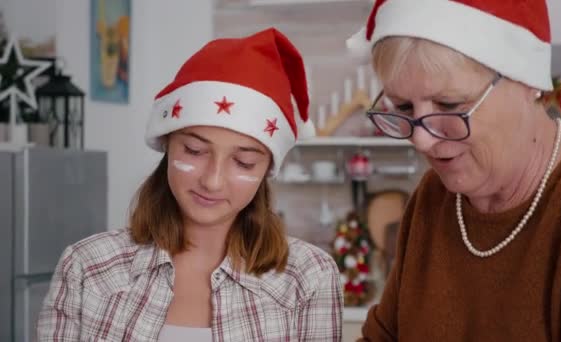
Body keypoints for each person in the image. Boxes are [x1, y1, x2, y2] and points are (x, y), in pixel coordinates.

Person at [37, 28, 343, 341]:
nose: (212, 181)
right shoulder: (87, 267)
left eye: (244, 162)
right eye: (194, 151)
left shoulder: (308, 276)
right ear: (167, 145)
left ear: (266, 170)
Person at [346, 0, 561, 340]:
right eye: (404, 107)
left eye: (450, 105)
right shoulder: (434, 196)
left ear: (527, 81)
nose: (422, 140)